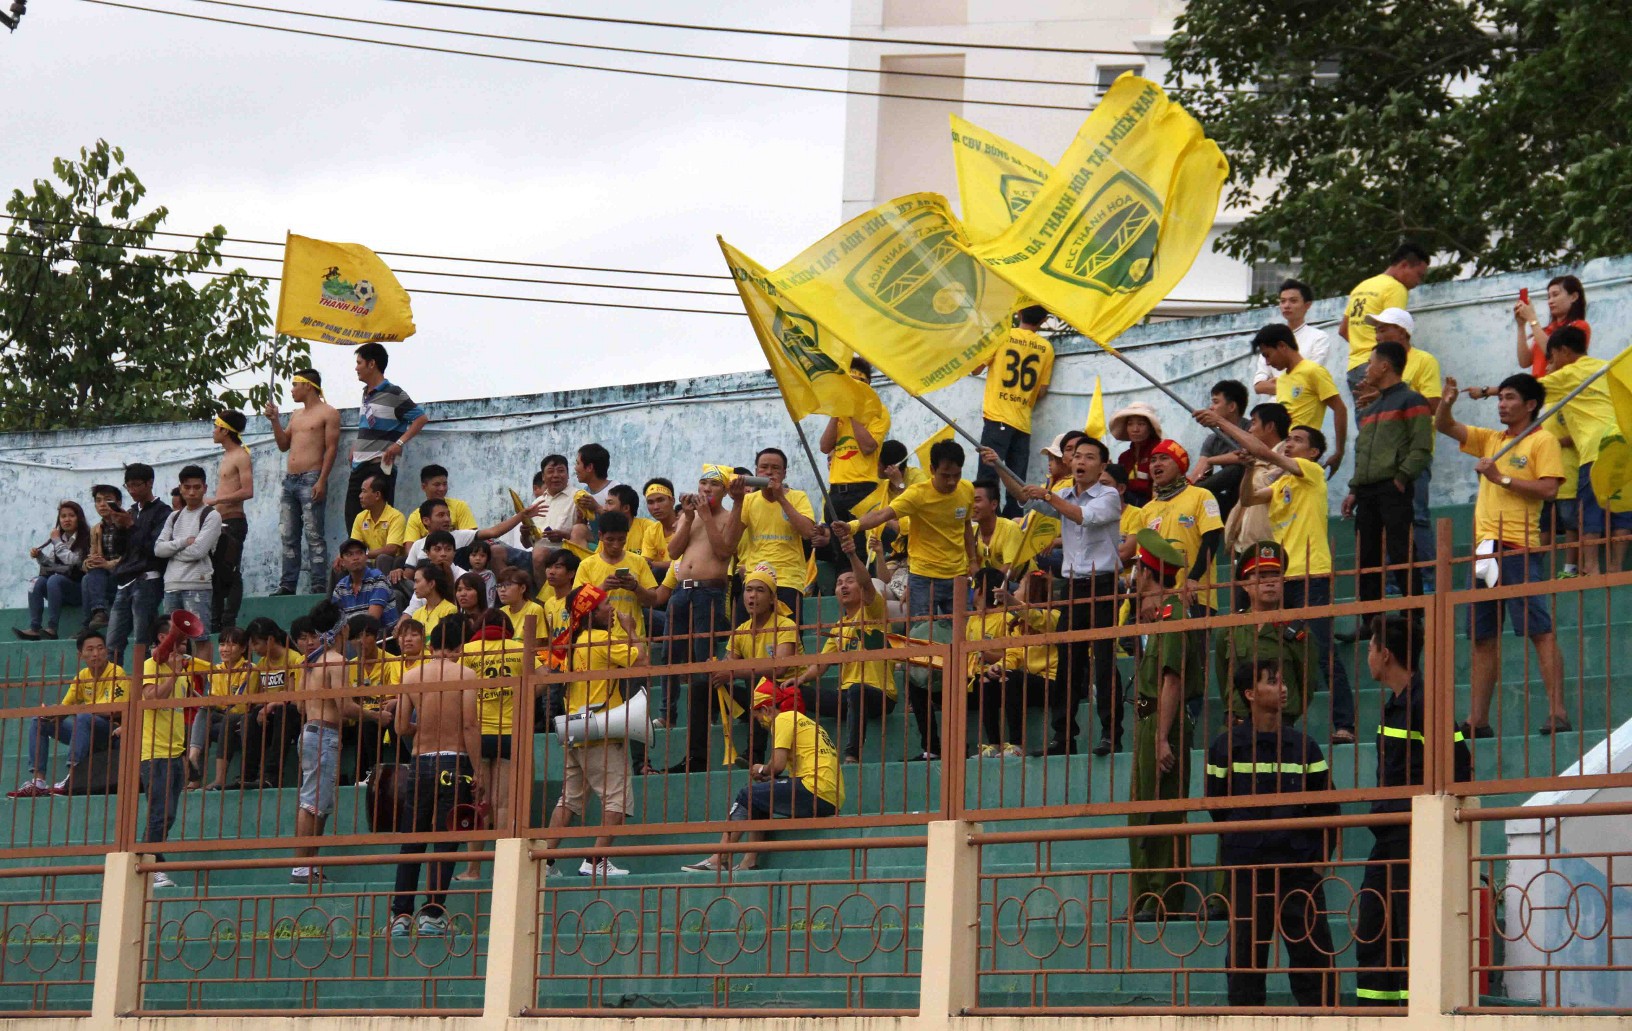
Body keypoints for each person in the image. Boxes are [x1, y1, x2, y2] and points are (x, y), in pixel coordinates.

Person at [1195, 411, 1356, 741]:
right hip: (1283, 579)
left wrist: (1220, 423)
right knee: (1275, 652)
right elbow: (1249, 498)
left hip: (1310, 575)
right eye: (1290, 438)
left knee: (1322, 651)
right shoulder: (1282, 482)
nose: (1290, 443)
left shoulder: (1310, 472)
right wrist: (1251, 467)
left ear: (1313, 453)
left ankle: (1345, 723)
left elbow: (1267, 451)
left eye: (1298, 440)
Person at [1436, 374, 1569, 736]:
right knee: (1482, 636)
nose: (1502, 404)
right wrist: (1447, 400)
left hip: (1518, 547)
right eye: (1500, 398)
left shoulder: (1543, 440)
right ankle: (1476, 720)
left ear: (1530, 405)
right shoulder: (1491, 439)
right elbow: (1444, 425)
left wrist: (1501, 478)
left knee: (1539, 630)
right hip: (1483, 549)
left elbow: (1549, 490)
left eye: (1510, 398)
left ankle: (1557, 711)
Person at [1204, 659, 1338, 1007]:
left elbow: (1328, 809)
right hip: (1248, 871)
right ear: (1249, 693)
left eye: (1282, 681)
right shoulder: (1225, 748)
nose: (1283, 688)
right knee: (1245, 963)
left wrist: (1317, 866)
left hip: (1298, 871)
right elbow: (1216, 806)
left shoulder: (1304, 747)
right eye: (1272, 681)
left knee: (1314, 962)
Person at [1356, 614, 1472, 1007]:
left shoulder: (1425, 702)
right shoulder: (1400, 703)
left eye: (1370, 649)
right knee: (1374, 931)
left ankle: (1412, 1013)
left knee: (1410, 935)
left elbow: (1459, 764)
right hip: (1389, 835)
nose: (1367, 656)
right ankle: (1377, 1014)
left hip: (1413, 837)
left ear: (1385, 654)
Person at [1479, 324, 1627, 575]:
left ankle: (1591, 568)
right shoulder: (1604, 367)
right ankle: (1616, 570)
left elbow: (1529, 391)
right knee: (1622, 508)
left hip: (1595, 448)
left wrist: (1486, 391)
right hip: (1623, 444)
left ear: (1564, 351)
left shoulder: (1569, 373)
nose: (1552, 362)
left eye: (1552, 356)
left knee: (1589, 508)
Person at [1011, 436, 1123, 756]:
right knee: (1067, 665)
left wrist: (1047, 494)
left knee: (1103, 662)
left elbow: (1082, 517)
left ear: (1102, 465)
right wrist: (998, 466)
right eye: (1076, 457)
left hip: (1103, 585)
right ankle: (1063, 737)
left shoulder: (1109, 495)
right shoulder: (1062, 493)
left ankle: (1111, 734)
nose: (1081, 462)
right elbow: (1026, 498)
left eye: (1089, 457)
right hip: (1073, 586)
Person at [1126, 530, 1208, 920]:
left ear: (1146, 572)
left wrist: (1161, 737)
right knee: (1142, 811)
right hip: (1147, 720)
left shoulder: (1174, 615)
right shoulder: (1155, 616)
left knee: (1164, 810)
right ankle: (1143, 895)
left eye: (1136, 569)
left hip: (1164, 722)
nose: (1132, 576)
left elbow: (1172, 679)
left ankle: (1164, 897)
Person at [682, 680, 843, 874]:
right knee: (759, 799)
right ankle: (749, 861)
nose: (761, 724)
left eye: (758, 718)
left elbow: (777, 765)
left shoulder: (783, 719)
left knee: (746, 794)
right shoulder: (804, 721)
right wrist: (769, 778)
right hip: (829, 796)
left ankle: (719, 857)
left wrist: (761, 770)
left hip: (814, 789)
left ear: (766, 710)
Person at [541, 585, 643, 879]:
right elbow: (643, 661)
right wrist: (631, 630)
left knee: (569, 799)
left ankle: (545, 862)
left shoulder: (571, 644)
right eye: (604, 606)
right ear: (590, 614)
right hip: (602, 731)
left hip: (575, 729)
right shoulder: (601, 639)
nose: (610, 609)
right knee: (618, 800)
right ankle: (596, 861)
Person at [390, 620, 482, 937]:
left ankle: (400, 915)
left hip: (421, 761)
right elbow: (470, 725)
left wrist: (423, 729)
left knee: (412, 838)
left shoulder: (412, 676)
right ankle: (433, 914)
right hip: (455, 762)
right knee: (446, 839)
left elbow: (401, 726)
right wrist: (478, 768)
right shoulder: (466, 676)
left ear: (431, 646)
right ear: (459, 648)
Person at [793, 528, 899, 761]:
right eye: (839, 583)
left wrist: (852, 555)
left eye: (850, 581)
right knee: (793, 694)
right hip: (848, 697)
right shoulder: (838, 627)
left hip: (880, 695)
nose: (843, 586)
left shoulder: (874, 610)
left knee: (856, 690)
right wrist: (799, 680)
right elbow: (821, 665)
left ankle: (852, 754)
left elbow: (869, 586)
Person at [1358, 308, 1443, 587]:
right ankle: (1391, 586)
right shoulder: (1381, 392)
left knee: (1415, 519)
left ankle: (1426, 581)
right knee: (1376, 537)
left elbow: (1431, 402)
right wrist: (1381, 398)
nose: (1378, 333)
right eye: (1377, 329)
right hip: (1380, 470)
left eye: (1384, 328)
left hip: (1407, 461)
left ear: (1403, 332)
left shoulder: (1424, 360)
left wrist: (1402, 474)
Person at [1343, 341, 1433, 602]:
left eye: (1370, 363)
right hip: (1367, 492)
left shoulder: (1412, 400)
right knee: (1367, 557)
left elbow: (1421, 448)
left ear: (1384, 366)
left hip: (1392, 488)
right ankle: (1370, 621)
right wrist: (1354, 490)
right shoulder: (1370, 409)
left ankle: (1412, 614)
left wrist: (1401, 478)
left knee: (1401, 551)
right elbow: (1362, 452)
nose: (1367, 369)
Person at [851, 438, 977, 620]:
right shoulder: (918, 493)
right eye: (945, 475)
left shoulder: (966, 489)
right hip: (924, 577)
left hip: (957, 575)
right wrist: (852, 526)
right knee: (922, 632)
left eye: (956, 475)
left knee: (962, 631)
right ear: (932, 470)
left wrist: (972, 560)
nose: (951, 481)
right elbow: (882, 515)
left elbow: (966, 526)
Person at [663, 471, 736, 772]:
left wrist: (705, 516)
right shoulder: (689, 515)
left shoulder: (728, 516)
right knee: (670, 653)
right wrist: (689, 518)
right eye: (703, 483)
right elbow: (673, 551)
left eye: (714, 484)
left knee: (704, 654)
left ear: (725, 490)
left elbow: (723, 552)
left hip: (709, 592)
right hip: (681, 591)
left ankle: (708, 713)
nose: (706, 488)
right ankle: (668, 712)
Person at [1208, 542, 1320, 726]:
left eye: (1276, 575)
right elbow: (1225, 682)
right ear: (1245, 585)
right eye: (1261, 576)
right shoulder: (1230, 630)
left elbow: (1306, 684)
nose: (1270, 582)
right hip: (1237, 726)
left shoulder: (1296, 631)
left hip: (1279, 725)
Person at [8, 628, 126, 797]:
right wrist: (51, 712)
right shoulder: (82, 676)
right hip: (86, 731)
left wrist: (83, 709)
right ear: (81, 655)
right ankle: (39, 781)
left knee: (83, 716)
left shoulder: (116, 672)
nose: (96, 654)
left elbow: (116, 709)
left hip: (111, 733)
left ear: (106, 651)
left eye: (100, 648)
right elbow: (66, 708)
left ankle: (73, 775)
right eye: (90, 649)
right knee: (39, 721)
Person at [138, 616, 210, 889]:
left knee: (167, 815)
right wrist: (175, 675)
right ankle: (150, 864)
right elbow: (153, 699)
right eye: (178, 641)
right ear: (161, 639)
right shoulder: (149, 665)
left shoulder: (182, 666)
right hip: (154, 752)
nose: (182, 646)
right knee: (159, 812)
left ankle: (148, 858)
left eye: (183, 641)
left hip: (174, 751)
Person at [457, 608, 524, 880]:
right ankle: (506, 871)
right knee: (503, 803)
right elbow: (543, 677)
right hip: (510, 732)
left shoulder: (469, 650)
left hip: (478, 732)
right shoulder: (519, 649)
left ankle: (473, 870)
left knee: (480, 802)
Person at [291, 617, 359, 883]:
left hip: (310, 731)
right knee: (311, 802)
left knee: (321, 804)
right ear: (342, 629)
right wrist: (375, 716)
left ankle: (310, 865)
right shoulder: (335, 660)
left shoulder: (308, 664)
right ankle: (300, 867)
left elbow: (299, 706)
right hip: (323, 734)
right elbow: (346, 707)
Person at [713, 564, 802, 766]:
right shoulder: (741, 630)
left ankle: (754, 754)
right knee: (704, 685)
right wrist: (720, 670)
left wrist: (733, 672)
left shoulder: (785, 625)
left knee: (759, 684)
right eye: (748, 590)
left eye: (760, 590)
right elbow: (729, 664)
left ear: (772, 599)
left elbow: (779, 668)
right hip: (760, 691)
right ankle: (696, 758)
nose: (753, 596)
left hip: (787, 690)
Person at [265, 369, 340, 596]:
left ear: (308, 385)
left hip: (311, 478)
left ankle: (318, 584)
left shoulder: (328, 413)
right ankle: (287, 585)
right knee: (288, 535)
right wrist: (275, 420)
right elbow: (283, 445)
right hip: (290, 480)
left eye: (295, 384)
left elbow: (331, 449)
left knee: (314, 535)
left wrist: (322, 480)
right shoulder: (296, 415)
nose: (292, 389)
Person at [976, 304, 1054, 517]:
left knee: (988, 475)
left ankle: (988, 524)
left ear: (1019, 313)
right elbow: (1042, 391)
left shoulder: (1002, 336)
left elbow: (975, 368)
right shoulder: (1046, 348)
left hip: (997, 417)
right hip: (1023, 422)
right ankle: (1013, 523)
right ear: (1044, 320)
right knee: (1017, 480)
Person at [725, 449, 818, 622]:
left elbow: (807, 532)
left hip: (788, 580)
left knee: (787, 636)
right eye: (764, 468)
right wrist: (737, 502)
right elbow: (729, 544)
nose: (769, 472)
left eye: (775, 468)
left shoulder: (798, 497)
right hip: (755, 577)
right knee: (746, 639)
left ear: (784, 473)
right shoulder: (748, 500)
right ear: (756, 471)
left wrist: (781, 498)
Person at [974, 570, 1057, 757]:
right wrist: (1000, 665)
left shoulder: (1056, 616)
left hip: (1052, 682)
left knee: (1010, 677)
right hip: (1027, 683)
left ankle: (1016, 744)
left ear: (1031, 592)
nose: (1016, 590)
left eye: (1020, 587)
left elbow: (1039, 618)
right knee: (986, 679)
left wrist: (1012, 602)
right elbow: (1014, 654)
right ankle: (993, 743)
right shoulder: (1018, 624)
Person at [347, 343, 429, 532]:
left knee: (380, 525)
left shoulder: (394, 393)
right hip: (358, 466)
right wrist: (356, 446)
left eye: (359, 362)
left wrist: (398, 444)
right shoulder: (366, 393)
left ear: (371, 364)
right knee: (353, 523)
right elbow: (367, 425)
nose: (356, 367)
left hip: (378, 467)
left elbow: (420, 418)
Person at [1136, 440, 1224, 613]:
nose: (1156, 464)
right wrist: (1146, 596)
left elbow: (1212, 539)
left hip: (1194, 594)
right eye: (1153, 460)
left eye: (1164, 458)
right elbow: (1143, 559)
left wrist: (1193, 579)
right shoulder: (1146, 510)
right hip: (1157, 600)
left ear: (1179, 465)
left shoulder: (1201, 496)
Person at [819, 357, 891, 564]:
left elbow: (868, 447)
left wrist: (852, 413)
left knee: (860, 550)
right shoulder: (838, 413)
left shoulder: (879, 412)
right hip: (836, 492)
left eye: (858, 383)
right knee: (841, 553)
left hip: (862, 492)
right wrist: (836, 413)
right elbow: (825, 446)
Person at [1254, 323, 1348, 473]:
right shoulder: (1282, 379)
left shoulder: (1313, 371)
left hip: (1301, 456)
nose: (1267, 362)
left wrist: (1339, 452)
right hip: (1281, 452)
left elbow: (1340, 409)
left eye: (1268, 355)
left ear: (1282, 346)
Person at [1339, 242, 1430, 393]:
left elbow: (1343, 330)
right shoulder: (1396, 288)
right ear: (1404, 265)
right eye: (1418, 275)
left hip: (1354, 368)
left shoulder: (1362, 286)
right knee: (1390, 414)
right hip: (1380, 367)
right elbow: (1396, 332)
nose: (1418, 282)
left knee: (1365, 416)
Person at [104, 463, 171, 666]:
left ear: (149, 483)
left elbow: (155, 548)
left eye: (136, 485)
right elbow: (119, 549)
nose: (132, 491)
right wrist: (119, 527)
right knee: (112, 643)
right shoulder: (131, 511)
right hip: (124, 580)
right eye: (128, 486)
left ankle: (145, 687)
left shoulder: (163, 512)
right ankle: (113, 687)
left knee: (143, 640)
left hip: (147, 580)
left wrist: (131, 526)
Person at [185, 627, 253, 791]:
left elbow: (242, 705)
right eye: (222, 644)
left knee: (214, 717)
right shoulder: (216, 670)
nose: (225, 649)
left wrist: (217, 704)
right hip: (220, 717)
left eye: (231, 645)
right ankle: (194, 763)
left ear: (243, 648)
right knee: (203, 711)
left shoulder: (249, 669)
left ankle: (206, 771)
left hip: (240, 720)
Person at [154, 465, 222, 626]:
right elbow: (158, 549)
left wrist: (171, 551)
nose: (192, 492)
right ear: (180, 488)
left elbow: (197, 551)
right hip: (171, 584)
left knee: (200, 638)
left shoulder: (211, 515)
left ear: (204, 488)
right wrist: (183, 542)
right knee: (172, 638)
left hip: (197, 584)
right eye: (187, 487)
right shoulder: (174, 516)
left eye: (197, 487)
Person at [241, 618, 301, 789]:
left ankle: (272, 775)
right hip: (270, 713)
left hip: (292, 713)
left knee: (284, 711)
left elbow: (292, 695)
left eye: (256, 643)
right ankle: (248, 774)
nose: (253, 648)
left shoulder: (293, 658)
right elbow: (258, 695)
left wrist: (271, 705)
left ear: (270, 640)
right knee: (251, 716)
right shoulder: (262, 663)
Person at [1223, 403, 1290, 558]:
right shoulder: (1256, 461)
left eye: (1254, 423)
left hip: (1269, 548)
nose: (1250, 430)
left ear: (1270, 426)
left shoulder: (1288, 458)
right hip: (1244, 547)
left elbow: (1263, 487)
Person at [16, 500, 90, 640]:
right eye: (63, 516)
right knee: (35, 582)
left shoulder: (86, 538)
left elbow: (72, 561)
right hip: (59, 591)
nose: (67, 519)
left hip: (79, 590)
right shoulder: (60, 539)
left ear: (79, 518)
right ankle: (35, 628)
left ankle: (52, 628)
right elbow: (51, 566)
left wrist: (56, 541)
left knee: (54, 580)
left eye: (71, 516)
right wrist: (40, 556)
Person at [207, 410, 253, 632]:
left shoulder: (241, 456)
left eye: (216, 426)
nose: (214, 431)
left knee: (231, 572)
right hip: (220, 521)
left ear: (225, 430)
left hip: (233, 521)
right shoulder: (227, 455)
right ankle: (216, 619)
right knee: (215, 572)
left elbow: (248, 490)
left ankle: (228, 620)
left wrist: (217, 500)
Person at [346, 614, 402, 787]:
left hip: (382, 717)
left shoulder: (392, 661)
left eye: (367, 636)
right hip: (357, 718)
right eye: (355, 637)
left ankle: (371, 771)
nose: (361, 641)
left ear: (376, 637)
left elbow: (390, 700)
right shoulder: (348, 667)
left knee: (370, 720)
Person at [1252, 279, 1333, 395]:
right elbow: (1259, 386)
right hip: (1273, 407)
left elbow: (1309, 377)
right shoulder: (1270, 337)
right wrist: (1291, 384)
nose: (1286, 306)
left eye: (1293, 301)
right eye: (1283, 301)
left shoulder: (1319, 337)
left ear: (1307, 305)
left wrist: (1279, 383)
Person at [1189, 380, 1252, 522]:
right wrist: (1188, 488)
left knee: (1236, 469)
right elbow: (1199, 470)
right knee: (1201, 497)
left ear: (1231, 406)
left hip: (1252, 490)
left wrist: (1212, 460)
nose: (1211, 408)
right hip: (1230, 497)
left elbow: (1244, 456)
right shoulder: (1212, 439)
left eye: (1216, 402)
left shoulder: (1250, 428)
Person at [1515, 273, 1589, 377]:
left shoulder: (1580, 326)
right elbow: (1524, 361)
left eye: (1555, 295)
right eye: (1549, 297)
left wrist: (1532, 318)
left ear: (1574, 297)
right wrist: (1521, 326)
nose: (1550, 301)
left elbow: (1552, 354)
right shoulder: (1547, 330)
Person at [81, 485, 127, 631]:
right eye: (98, 500)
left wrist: (107, 564)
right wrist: (89, 562)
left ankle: (89, 623)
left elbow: (132, 556)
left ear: (118, 503)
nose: (102, 504)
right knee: (89, 576)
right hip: (104, 576)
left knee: (89, 578)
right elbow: (91, 555)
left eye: (108, 500)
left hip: (125, 572)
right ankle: (98, 614)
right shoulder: (96, 529)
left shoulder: (127, 524)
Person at [346, 474, 408, 574]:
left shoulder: (396, 517)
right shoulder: (360, 517)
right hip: (368, 562)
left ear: (377, 495)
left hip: (391, 566)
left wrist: (364, 555)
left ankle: (382, 588)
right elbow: (354, 545)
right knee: (342, 562)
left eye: (364, 491)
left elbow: (391, 549)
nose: (360, 496)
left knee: (382, 558)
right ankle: (338, 590)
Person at [332, 538, 400, 627]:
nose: (355, 558)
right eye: (349, 554)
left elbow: (371, 621)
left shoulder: (378, 579)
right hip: (353, 637)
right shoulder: (340, 587)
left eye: (360, 553)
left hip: (381, 638)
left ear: (366, 557)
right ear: (342, 562)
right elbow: (334, 621)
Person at [1110, 402, 1161, 508]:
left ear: (1150, 427)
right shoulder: (1124, 457)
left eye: (1141, 424)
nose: (1135, 429)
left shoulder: (1159, 452)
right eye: (1130, 424)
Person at [398, 563, 458, 640]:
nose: (414, 587)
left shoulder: (449, 610)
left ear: (431, 584)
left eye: (417, 581)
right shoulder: (417, 614)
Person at [640, 479, 679, 581]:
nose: (656, 507)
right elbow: (644, 563)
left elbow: (683, 563)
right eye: (650, 502)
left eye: (660, 500)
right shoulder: (651, 531)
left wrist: (653, 564)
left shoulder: (687, 525)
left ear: (672, 501)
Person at [496, 568, 546, 641]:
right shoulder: (501, 612)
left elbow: (538, 643)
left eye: (508, 585)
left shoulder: (534, 609)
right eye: (499, 586)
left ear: (522, 588)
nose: (502, 589)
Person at [574, 443, 621, 508]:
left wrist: (596, 507)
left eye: (578, 463)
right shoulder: (585, 492)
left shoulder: (617, 490)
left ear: (589, 467)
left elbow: (621, 518)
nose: (575, 468)